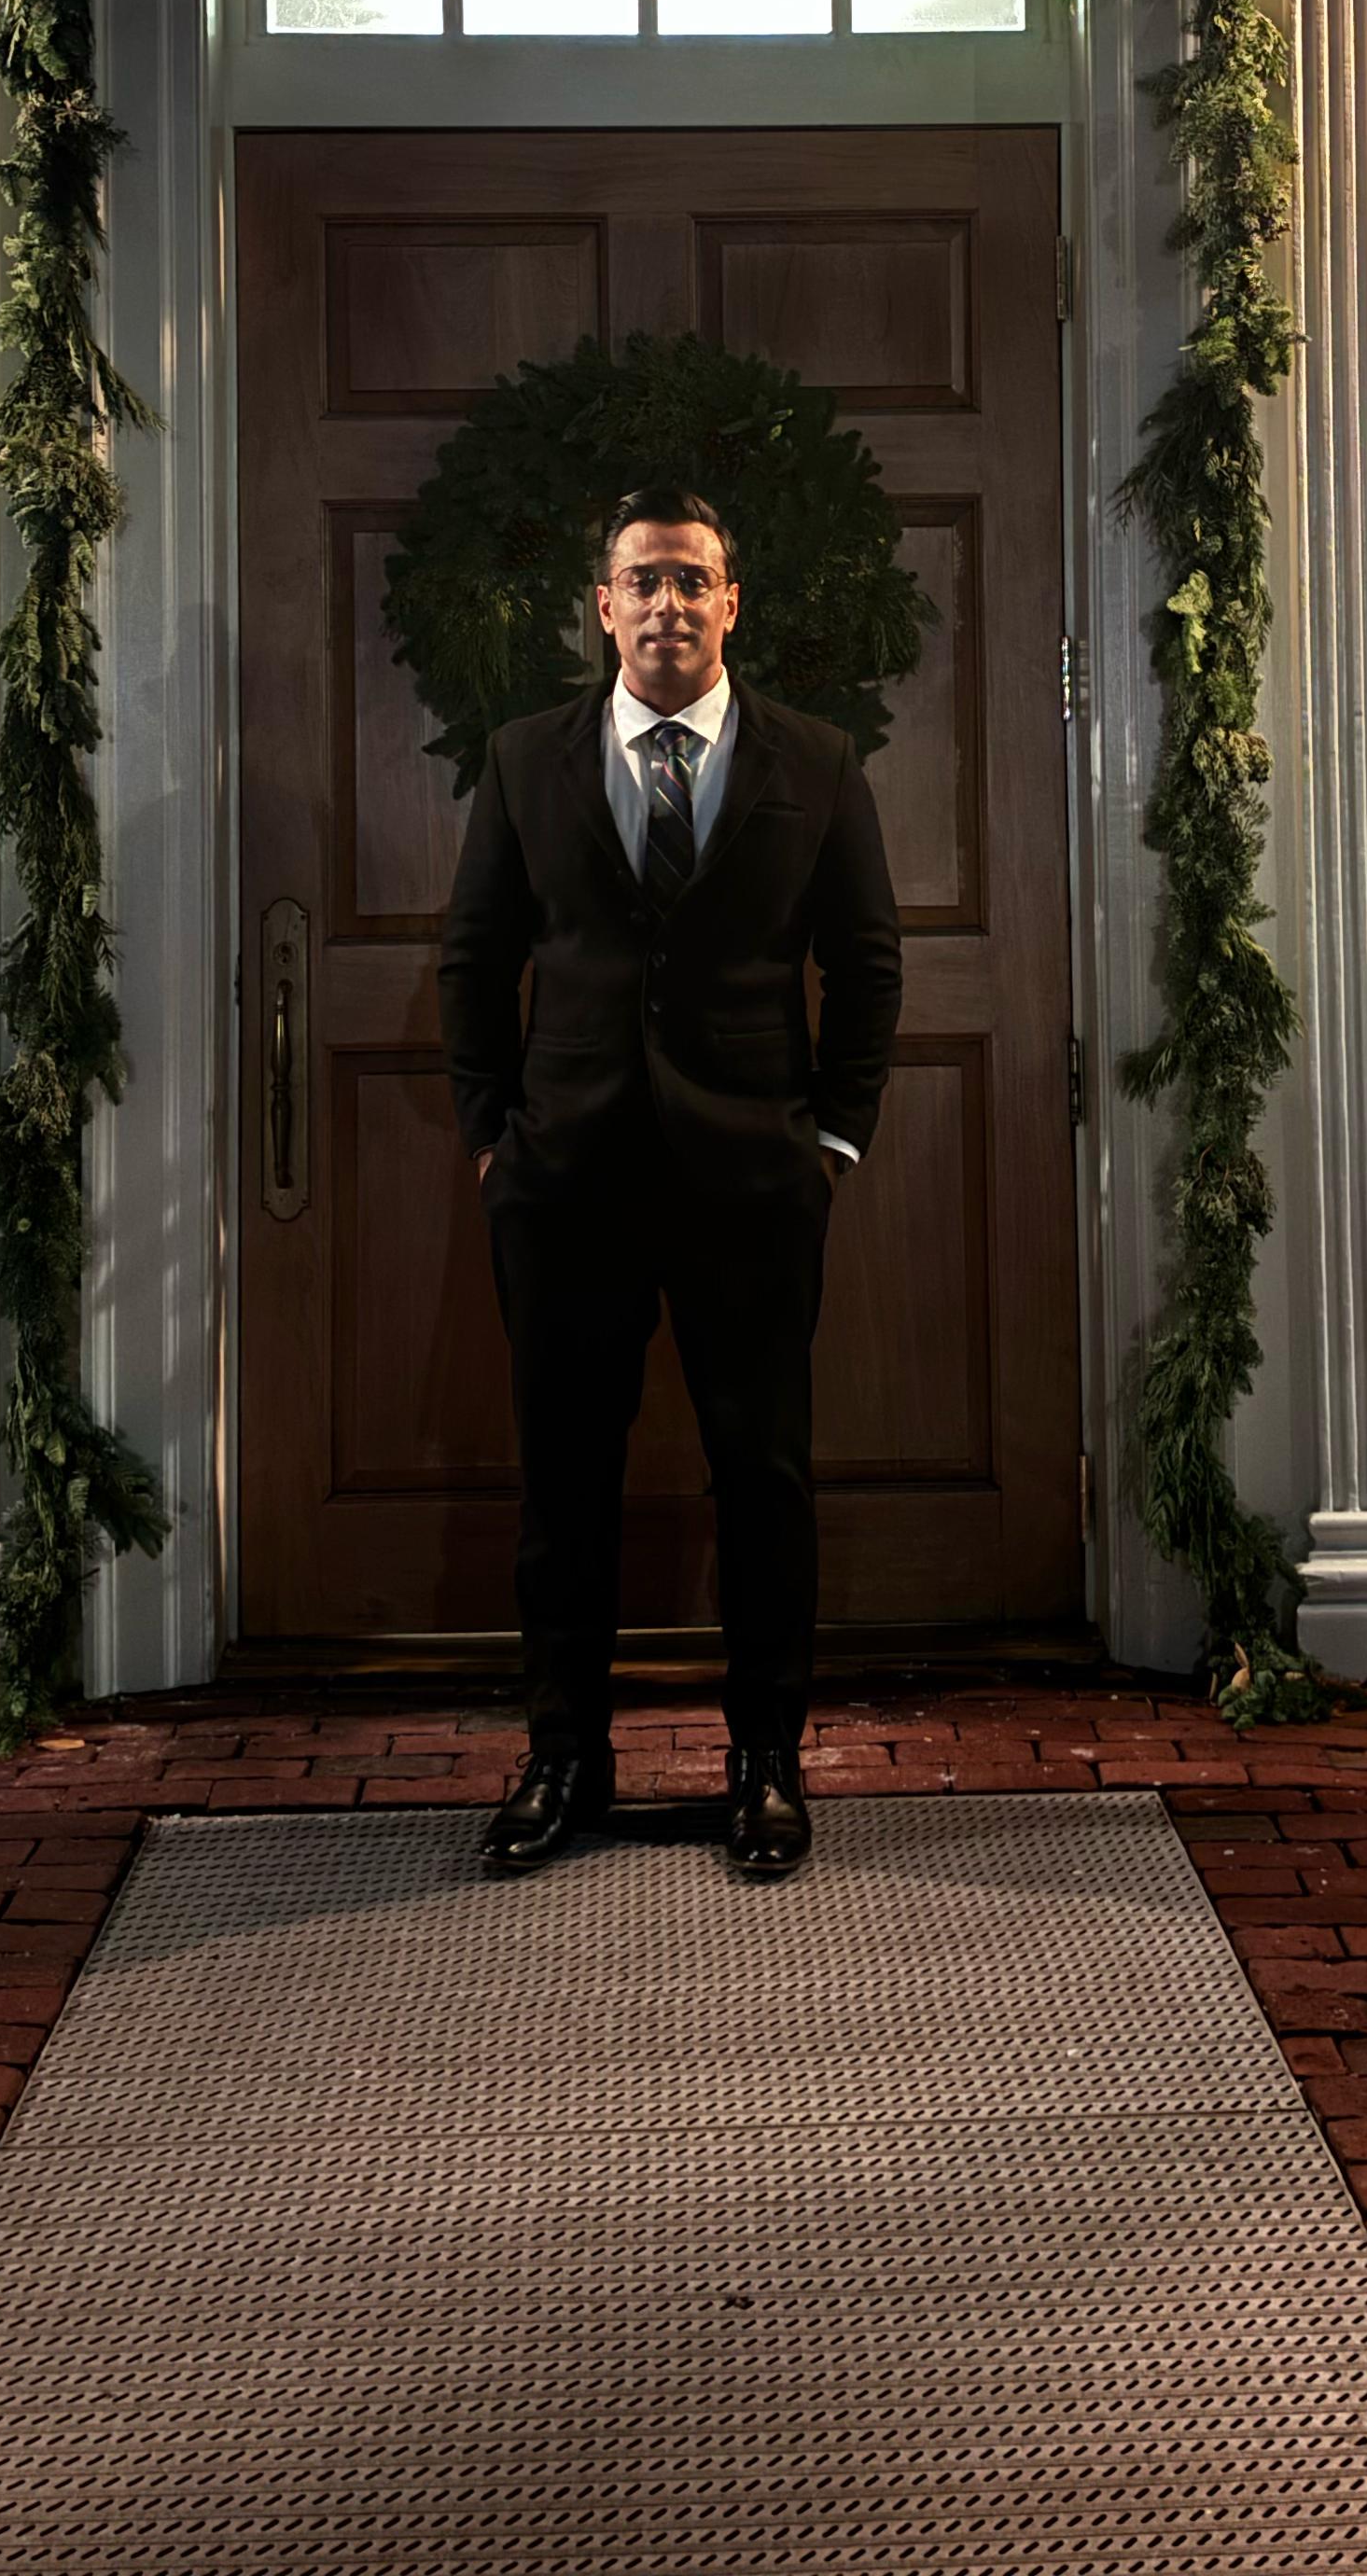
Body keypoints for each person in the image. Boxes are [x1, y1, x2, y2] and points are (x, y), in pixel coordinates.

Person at [438, 485, 902, 1882]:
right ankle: (564, 1761)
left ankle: (764, 1764)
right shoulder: (526, 760)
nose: (667, 605)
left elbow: (868, 963)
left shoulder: (817, 761)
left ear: (731, 603)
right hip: (566, 1179)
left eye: (693, 581)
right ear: (603, 604)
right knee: (563, 1483)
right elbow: (472, 959)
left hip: (752, 1182)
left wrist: (831, 1140)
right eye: (642, 580)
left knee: (762, 1477)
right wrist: (489, 1134)